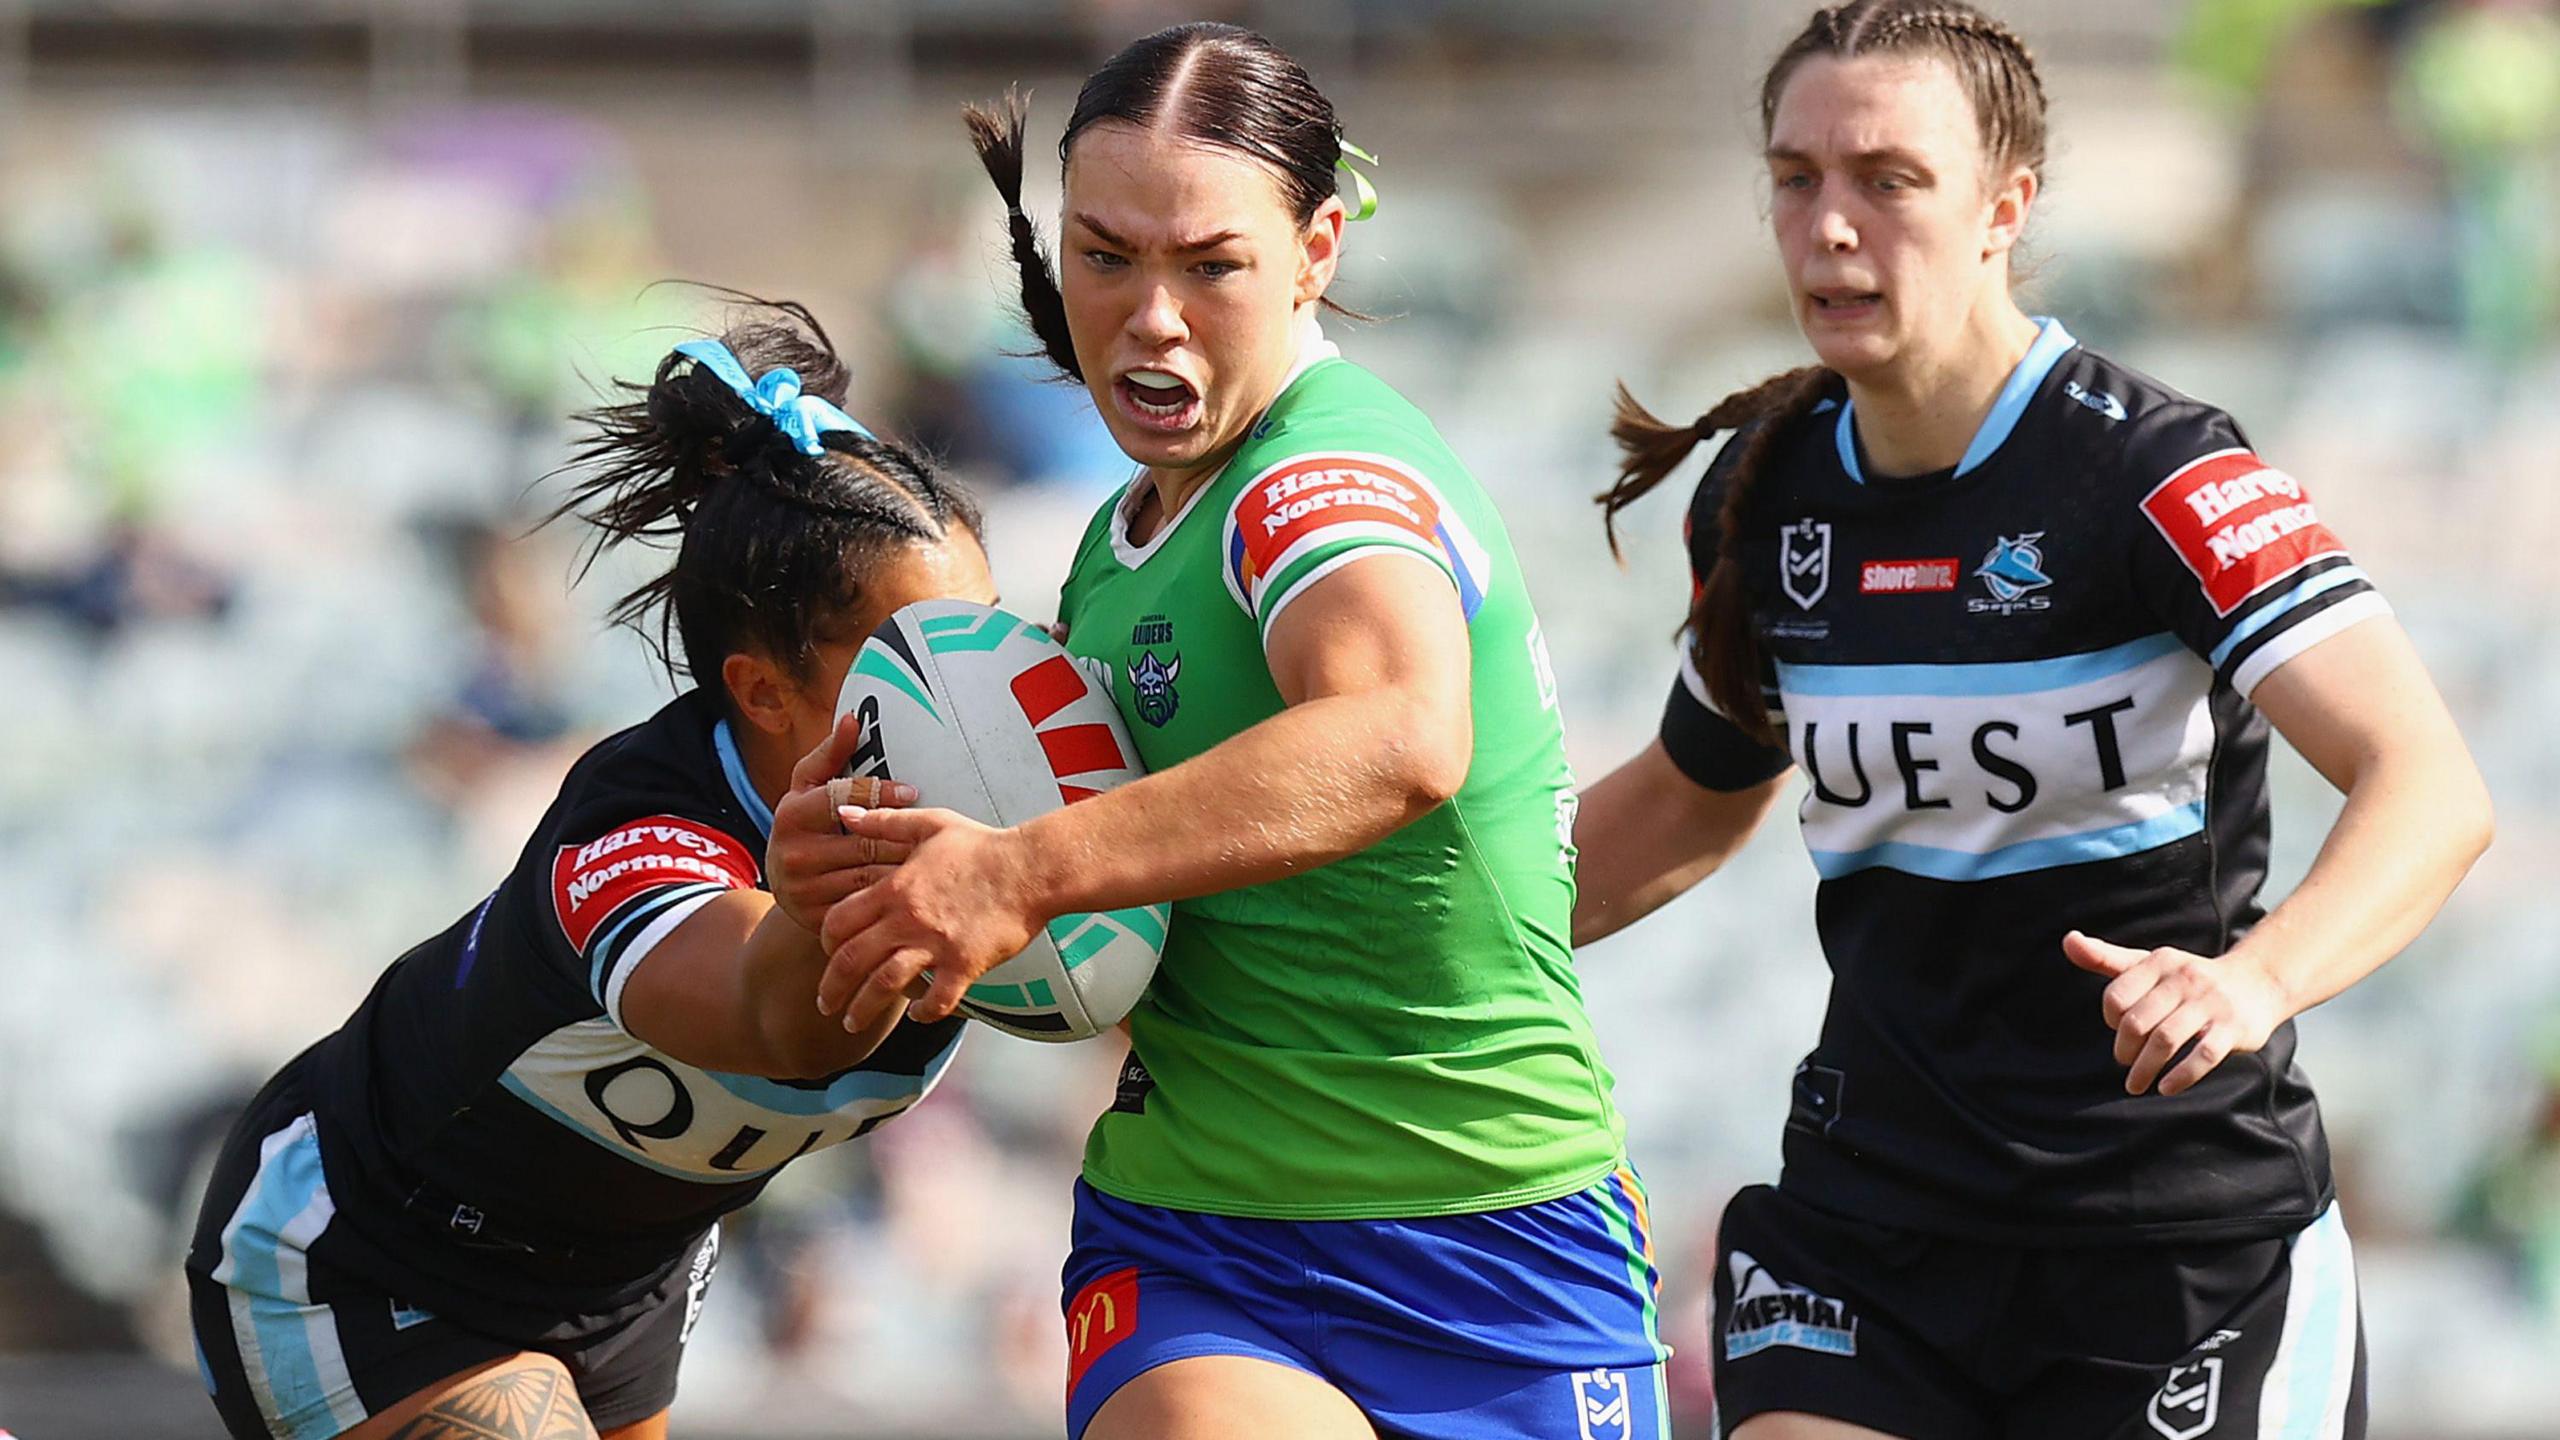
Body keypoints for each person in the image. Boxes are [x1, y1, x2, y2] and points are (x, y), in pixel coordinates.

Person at [1572, 4, 2495, 1437]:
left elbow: (2427, 786)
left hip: (2175, 1254)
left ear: (2006, 204)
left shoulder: (2157, 473)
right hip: (1870, 1230)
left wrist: (2250, 982)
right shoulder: (1764, 491)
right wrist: (1399, 949)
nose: (1830, 225)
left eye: (1888, 179)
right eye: (1796, 176)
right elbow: (1690, 800)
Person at [816, 24, 1662, 1440]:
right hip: (1200, 1238)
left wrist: (1022, 872)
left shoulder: (1320, 482)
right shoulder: (1114, 549)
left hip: (1496, 1240)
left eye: (1210, 266)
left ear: (1317, 250)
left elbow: (1400, 737)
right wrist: (890, 890)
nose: (1150, 316)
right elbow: (1127, 947)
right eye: (1105, 256)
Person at [185, 300, 994, 1440]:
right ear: (764, 691)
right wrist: (879, 909)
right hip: (376, 1248)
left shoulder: (1006, 795)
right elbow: (780, 1022)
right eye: (917, 658)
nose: (979, 688)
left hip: (626, 1289)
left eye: (990, 634)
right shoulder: (635, 838)